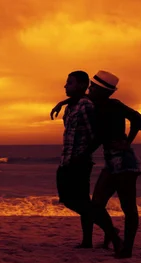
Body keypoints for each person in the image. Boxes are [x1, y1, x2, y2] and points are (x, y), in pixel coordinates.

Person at [53, 71, 118, 249]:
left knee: (79, 201)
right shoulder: (71, 106)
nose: (66, 86)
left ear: (81, 85)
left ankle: (111, 233)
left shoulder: (86, 106)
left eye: (70, 83)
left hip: (79, 162)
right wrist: (62, 102)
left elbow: (95, 134)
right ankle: (92, 239)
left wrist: (82, 156)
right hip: (66, 159)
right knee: (76, 200)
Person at [86, 71, 141, 258]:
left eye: (93, 87)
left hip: (125, 163)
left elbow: (140, 122)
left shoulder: (114, 105)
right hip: (110, 162)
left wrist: (127, 142)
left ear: (104, 91)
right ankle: (113, 234)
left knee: (128, 207)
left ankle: (126, 248)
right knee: (95, 205)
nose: (90, 89)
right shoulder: (93, 105)